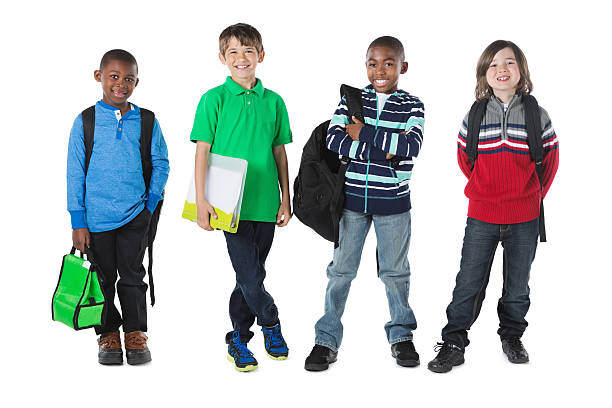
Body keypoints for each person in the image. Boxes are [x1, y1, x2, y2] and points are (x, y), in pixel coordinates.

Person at [427, 40, 559, 373]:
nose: (502, 69)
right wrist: (487, 191)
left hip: (525, 217)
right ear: (484, 74)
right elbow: (465, 160)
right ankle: (454, 342)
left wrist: (529, 195)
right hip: (482, 215)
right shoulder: (474, 115)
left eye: (509, 63)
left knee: (517, 286)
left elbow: (551, 161)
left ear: (522, 71)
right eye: (493, 64)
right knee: (468, 283)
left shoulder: (536, 114)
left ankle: (512, 336)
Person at [304, 36, 425, 371]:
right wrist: (385, 151)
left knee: (395, 272)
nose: (380, 70)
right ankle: (326, 340)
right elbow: (334, 139)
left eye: (388, 62)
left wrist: (363, 134)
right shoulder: (352, 99)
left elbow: (410, 147)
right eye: (373, 63)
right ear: (366, 65)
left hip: (394, 204)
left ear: (402, 66)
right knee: (341, 272)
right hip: (352, 202)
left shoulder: (413, 106)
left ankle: (401, 336)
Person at [190, 23, 292, 372]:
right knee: (250, 277)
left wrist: (286, 198)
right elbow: (202, 152)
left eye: (248, 51)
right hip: (226, 205)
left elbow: (279, 152)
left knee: (248, 277)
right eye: (232, 52)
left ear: (260, 55)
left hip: (265, 203)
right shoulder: (212, 100)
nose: (241, 58)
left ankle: (238, 337)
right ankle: (271, 322)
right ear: (222, 58)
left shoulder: (274, 102)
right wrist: (202, 200)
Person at [67, 49, 170, 365]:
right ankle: (108, 333)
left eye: (129, 78)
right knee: (101, 279)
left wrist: (149, 205)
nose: (121, 84)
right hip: (96, 219)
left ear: (137, 81)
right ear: (99, 77)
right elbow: (75, 171)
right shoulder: (85, 121)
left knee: (132, 276)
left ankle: (135, 332)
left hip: (135, 216)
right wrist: (78, 220)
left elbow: (161, 162)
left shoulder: (147, 120)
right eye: (114, 76)